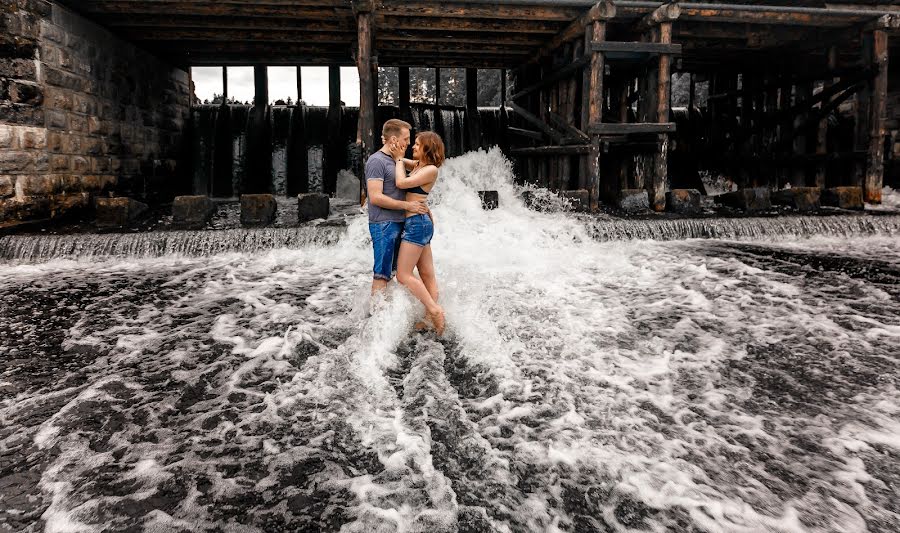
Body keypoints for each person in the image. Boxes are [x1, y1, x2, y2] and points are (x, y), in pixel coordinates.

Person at [389, 131, 445, 335]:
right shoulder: (420, 165)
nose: (413, 146)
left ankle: (434, 309)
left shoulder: (430, 169)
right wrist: (397, 153)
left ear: (427, 149)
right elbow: (406, 162)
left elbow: (401, 183)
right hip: (419, 221)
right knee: (427, 275)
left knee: (403, 275)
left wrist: (396, 160)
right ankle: (430, 317)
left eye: (417, 144)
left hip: (416, 224)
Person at [365, 119, 429, 295]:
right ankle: (376, 320)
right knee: (381, 275)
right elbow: (376, 197)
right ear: (393, 139)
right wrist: (408, 205)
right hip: (383, 225)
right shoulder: (376, 161)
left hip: (400, 222)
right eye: (406, 139)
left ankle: (390, 317)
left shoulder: (396, 160)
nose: (409, 143)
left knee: (395, 274)